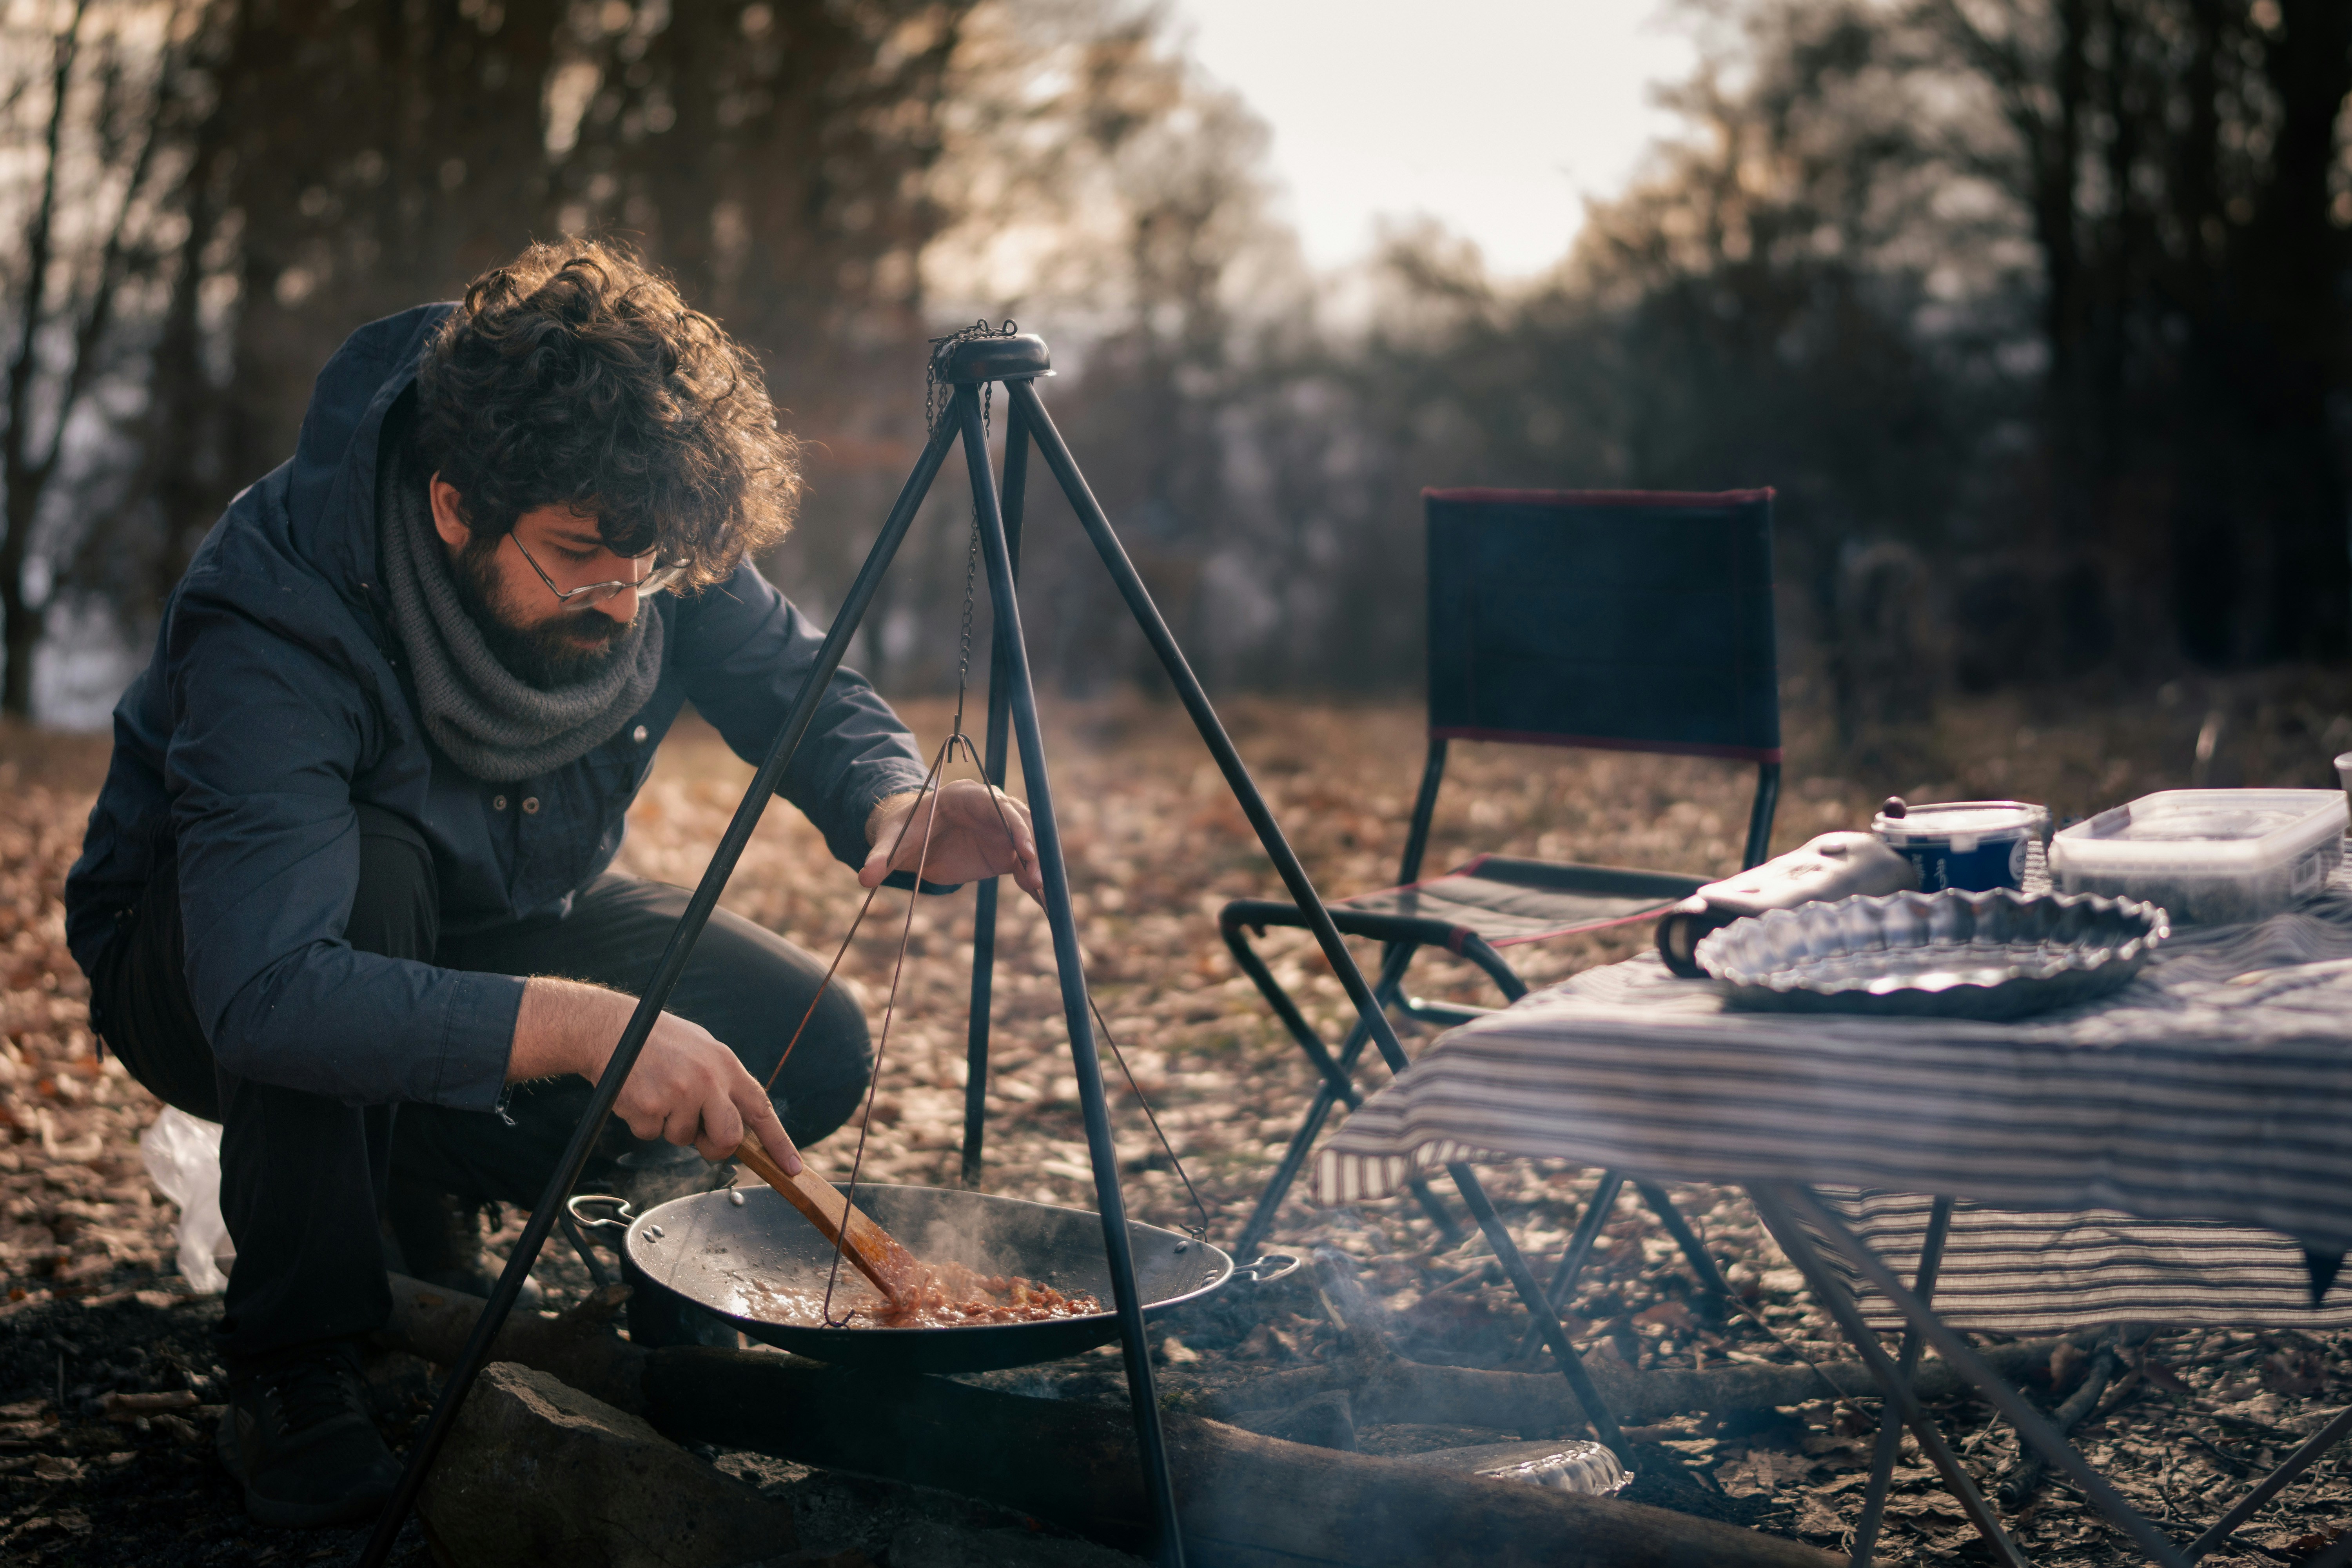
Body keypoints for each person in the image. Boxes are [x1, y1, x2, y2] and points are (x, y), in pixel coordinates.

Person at [63, 240, 1041, 1529]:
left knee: (802, 1040)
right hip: (216, 964)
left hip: (503, 914)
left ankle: (466, 1196)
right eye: (580, 557)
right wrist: (585, 1030)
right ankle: (292, 1360)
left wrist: (890, 794)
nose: (625, 602)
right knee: (372, 875)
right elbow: (269, 992)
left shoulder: (636, 521)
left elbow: (791, 681)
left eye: (649, 566)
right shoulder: (282, 605)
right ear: (454, 506)